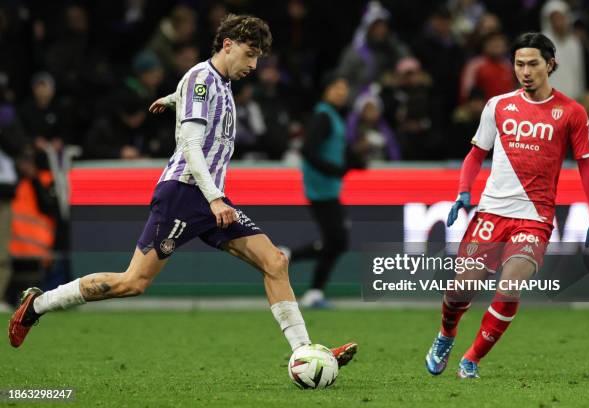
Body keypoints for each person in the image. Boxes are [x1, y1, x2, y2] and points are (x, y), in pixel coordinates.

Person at [9, 14, 357, 368]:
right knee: (133, 282)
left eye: (258, 58)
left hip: (208, 198)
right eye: (250, 54)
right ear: (228, 44)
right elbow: (191, 147)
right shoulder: (203, 78)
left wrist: (174, 98)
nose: (253, 64)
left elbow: (197, 96)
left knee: (275, 262)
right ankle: (37, 305)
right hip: (185, 193)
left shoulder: (216, 83)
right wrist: (215, 197)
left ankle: (304, 353)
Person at [425, 32, 589, 379]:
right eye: (519, 63)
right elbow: (476, 153)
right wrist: (464, 191)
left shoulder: (571, 112)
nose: (525, 71)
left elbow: (586, 165)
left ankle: (472, 358)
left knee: (510, 285)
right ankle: (446, 335)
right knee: (460, 290)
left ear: (550, 65)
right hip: (491, 213)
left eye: (533, 64)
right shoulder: (498, 105)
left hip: (534, 218)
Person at [282, 74, 363, 308]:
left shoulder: (333, 117)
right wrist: (335, 170)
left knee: (334, 241)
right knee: (337, 240)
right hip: (321, 188)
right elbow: (308, 150)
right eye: (337, 87)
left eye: (344, 88)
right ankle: (305, 278)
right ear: (326, 90)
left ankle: (301, 273)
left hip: (328, 187)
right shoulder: (323, 116)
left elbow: (338, 150)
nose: (342, 92)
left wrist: (354, 161)